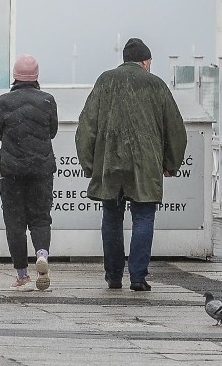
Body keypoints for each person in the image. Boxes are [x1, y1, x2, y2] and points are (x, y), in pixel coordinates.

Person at [76, 37, 186, 292]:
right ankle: (138, 277)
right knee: (144, 218)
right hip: (146, 164)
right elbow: (175, 129)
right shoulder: (156, 85)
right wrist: (171, 163)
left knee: (112, 217)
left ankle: (113, 276)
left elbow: (86, 126)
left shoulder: (105, 81)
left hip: (110, 162)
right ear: (146, 62)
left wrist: (89, 164)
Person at [0, 54, 58, 290]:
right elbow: (52, 131)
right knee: (40, 218)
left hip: (12, 171)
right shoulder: (48, 100)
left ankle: (21, 273)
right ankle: (42, 254)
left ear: (15, 76)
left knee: (15, 223)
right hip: (41, 169)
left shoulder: (3, 101)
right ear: (36, 77)